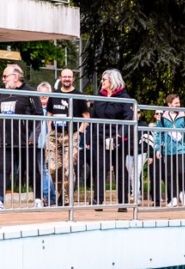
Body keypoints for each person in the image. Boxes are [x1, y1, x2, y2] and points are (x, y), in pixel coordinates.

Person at [0, 64, 42, 209]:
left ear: (15, 77)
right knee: (4, 170)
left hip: (25, 141)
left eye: (5, 76)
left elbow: (39, 115)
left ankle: (38, 199)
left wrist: (33, 136)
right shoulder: (2, 93)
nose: (3, 79)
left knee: (32, 170)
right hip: (6, 140)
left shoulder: (30, 92)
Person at [88, 69, 135, 211]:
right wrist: (90, 137)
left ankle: (123, 202)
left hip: (118, 139)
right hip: (100, 137)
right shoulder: (100, 97)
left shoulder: (124, 97)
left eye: (104, 79)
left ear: (112, 81)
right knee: (100, 168)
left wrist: (119, 135)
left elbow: (128, 117)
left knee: (120, 169)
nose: (102, 82)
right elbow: (93, 118)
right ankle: (98, 200)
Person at [47, 68, 88, 206]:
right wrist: (49, 129)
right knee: (53, 168)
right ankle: (60, 193)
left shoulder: (78, 95)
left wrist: (79, 132)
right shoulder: (54, 94)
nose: (67, 79)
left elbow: (86, 116)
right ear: (60, 78)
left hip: (71, 134)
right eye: (64, 77)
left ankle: (66, 199)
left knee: (68, 169)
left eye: (69, 77)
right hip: (55, 135)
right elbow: (49, 113)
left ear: (73, 78)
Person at [155, 94, 185, 207]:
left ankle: (182, 193)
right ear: (169, 104)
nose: (178, 105)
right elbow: (159, 134)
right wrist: (158, 149)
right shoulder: (162, 117)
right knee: (170, 174)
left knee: (181, 171)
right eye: (176, 103)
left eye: (179, 103)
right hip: (168, 150)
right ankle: (173, 197)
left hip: (181, 149)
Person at [36, 81, 58, 207]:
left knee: (44, 170)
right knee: (43, 170)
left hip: (49, 144)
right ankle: (51, 197)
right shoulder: (35, 109)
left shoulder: (53, 109)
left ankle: (47, 196)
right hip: (37, 144)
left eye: (46, 93)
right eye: (41, 93)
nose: (43, 96)